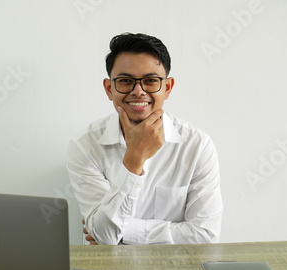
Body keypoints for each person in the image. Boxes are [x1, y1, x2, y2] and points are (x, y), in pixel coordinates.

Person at [67, 32, 222, 245]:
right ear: (109, 88)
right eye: (125, 81)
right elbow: (104, 236)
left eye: (150, 81)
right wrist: (135, 158)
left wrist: (123, 232)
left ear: (167, 88)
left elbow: (205, 235)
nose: (138, 91)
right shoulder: (85, 145)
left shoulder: (197, 146)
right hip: (106, 269)